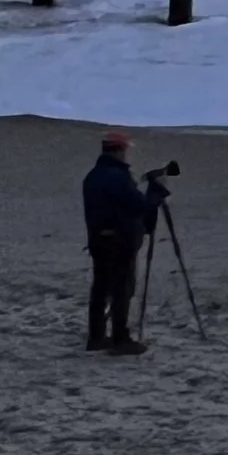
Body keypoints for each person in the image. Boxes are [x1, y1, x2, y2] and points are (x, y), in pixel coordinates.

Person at [81, 127, 159, 355]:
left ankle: (96, 336)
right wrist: (155, 193)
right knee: (121, 289)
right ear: (119, 151)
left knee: (101, 288)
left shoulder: (93, 176)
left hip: (98, 240)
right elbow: (139, 207)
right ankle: (120, 338)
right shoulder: (118, 177)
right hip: (120, 242)